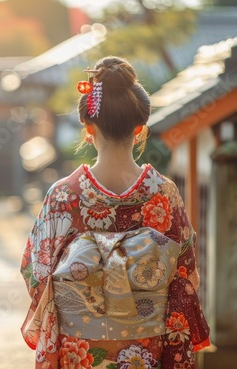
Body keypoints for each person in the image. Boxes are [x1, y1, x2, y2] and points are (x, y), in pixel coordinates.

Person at [20, 56, 210, 369]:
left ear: (87, 126)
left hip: (79, 349)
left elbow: (35, 270)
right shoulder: (164, 193)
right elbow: (184, 276)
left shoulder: (64, 195)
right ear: (140, 127)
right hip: (146, 349)